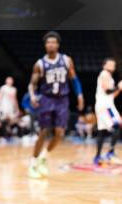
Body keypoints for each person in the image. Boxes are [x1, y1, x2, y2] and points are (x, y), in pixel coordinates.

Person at [28, 31, 84, 178]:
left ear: (58, 45)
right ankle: (33, 163)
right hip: (46, 99)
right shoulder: (39, 64)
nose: (51, 44)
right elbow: (32, 84)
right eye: (48, 42)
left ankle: (43, 157)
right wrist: (33, 96)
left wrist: (79, 95)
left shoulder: (66, 60)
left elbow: (74, 79)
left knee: (60, 133)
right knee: (43, 132)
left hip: (62, 100)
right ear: (45, 45)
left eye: (53, 42)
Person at [93, 57, 122, 165]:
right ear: (104, 65)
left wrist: (119, 89)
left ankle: (97, 157)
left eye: (113, 65)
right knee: (117, 125)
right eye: (110, 64)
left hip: (104, 104)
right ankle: (110, 154)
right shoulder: (104, 74)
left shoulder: (108, 76)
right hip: (105, 106)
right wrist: (118, 86)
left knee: (102, 131)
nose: (112, 66)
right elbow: (107, 90)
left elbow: (111, 95)